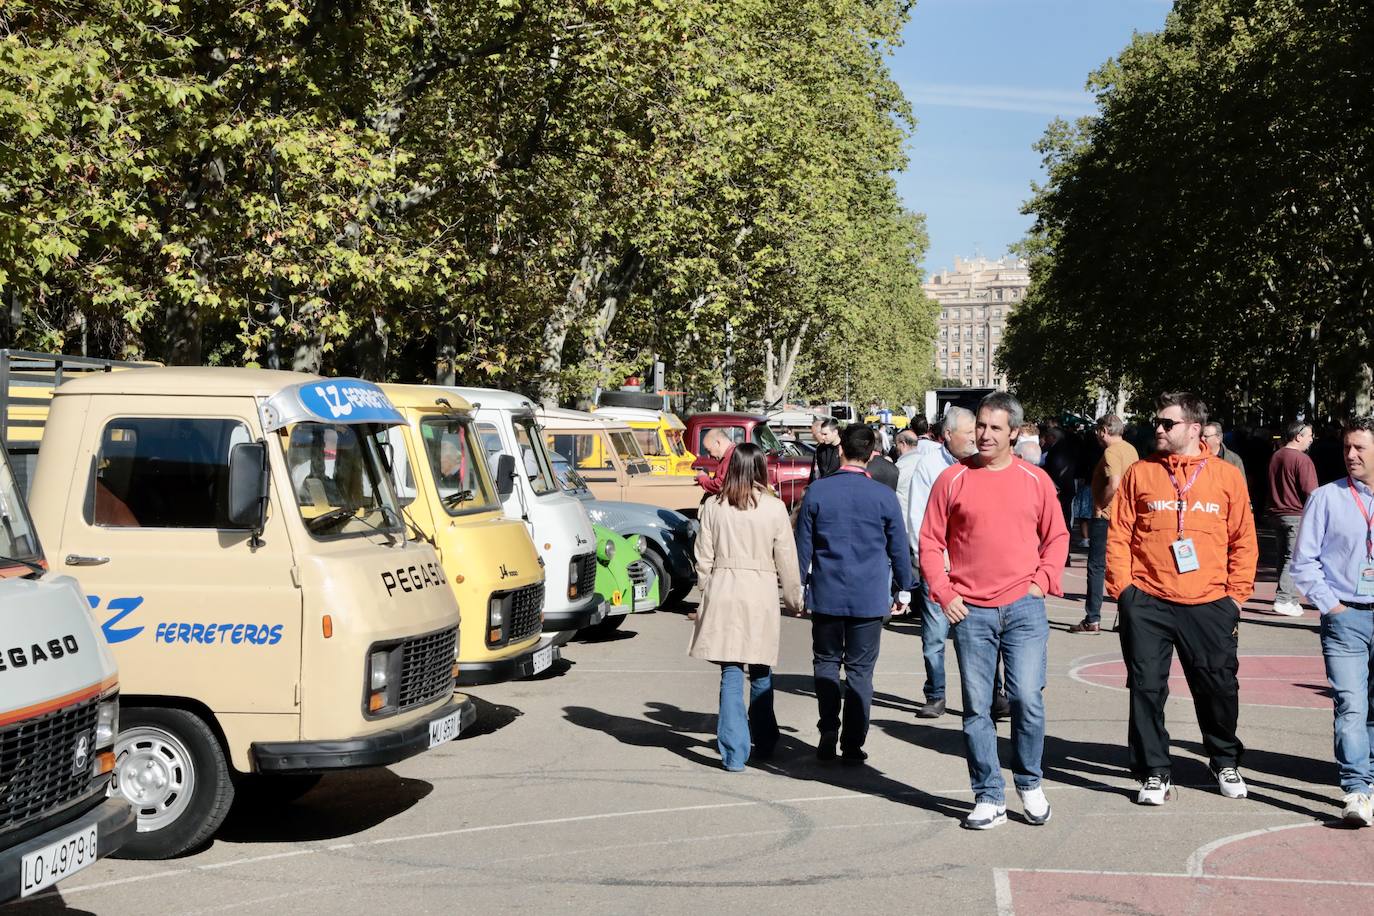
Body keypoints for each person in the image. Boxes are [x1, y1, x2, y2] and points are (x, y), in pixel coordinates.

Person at [920, 391, 1068, 829]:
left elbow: (1057, 537)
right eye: (980, 426)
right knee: (977, 708)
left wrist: (1042, 582)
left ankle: (1029, 781)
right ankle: (988, 794)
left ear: (1014, 433)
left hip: (1024, 607)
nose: (984, 435)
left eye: (994, 428)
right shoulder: (952, 480)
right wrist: (944, 594)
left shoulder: (1035, 480)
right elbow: (930, 542)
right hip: (971, 612)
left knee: (1026, 698)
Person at [1107, 392, 1258, 806]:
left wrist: (1235, 598)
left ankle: (1224, 758)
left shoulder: (1226, 476)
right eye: (1157, 421)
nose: (1158, 428)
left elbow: (1244, 540)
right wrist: (1124, 592)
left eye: (1167, 423)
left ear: (1193, 428)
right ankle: (1154, 771)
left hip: (1210, 601)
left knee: (1218, 688)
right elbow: (1119, 534)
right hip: (1148, 601)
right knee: (1147, 688)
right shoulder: (1140, 473)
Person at [796, 424, 913, 764]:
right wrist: (904, 588)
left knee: (827, 663)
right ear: (872, 454)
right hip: (869, 595)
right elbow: (898, 548)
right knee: (861, 672)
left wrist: (798, 589)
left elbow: (803, 547)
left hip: (827, 592)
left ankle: (828, 727)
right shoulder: (883, 496)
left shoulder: (818, 492)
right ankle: (852, 741)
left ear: (841, 451)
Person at [689, 443, 804, 771]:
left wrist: (706, 587)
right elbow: (787, 558)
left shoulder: (714, 505)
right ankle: (765, 739)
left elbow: (703, 556)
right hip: (760, 592)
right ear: (760, 469)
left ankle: (734, 752)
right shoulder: (774, 508)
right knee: (762, 669)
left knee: (730, 672)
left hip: (724, 588)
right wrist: (794, 597)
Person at [1290, 417, 1374, 826]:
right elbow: (1303, 562)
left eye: (1359, 447)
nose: (1351, 455)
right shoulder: (1326, 498)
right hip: (1346, 617)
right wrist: (1331, 606)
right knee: (1351, 705)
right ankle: (1357, 789)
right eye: (1347, 448)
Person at [904, 406, 990, 719]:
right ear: (948, 435)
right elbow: (918, 519)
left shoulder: (983, 464)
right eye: (968, 432)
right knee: (935, 636)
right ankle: (936, 694)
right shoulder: (929, 467)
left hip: (977, 566)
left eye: (976, 431)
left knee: (982, 633)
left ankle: (992, 694)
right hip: (940, 566)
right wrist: (930, 564)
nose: (974, 438)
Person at [1070, 415, 1139, 634]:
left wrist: (1100, 502)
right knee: (1124, 565)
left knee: (1097, 566)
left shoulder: (1111, 452)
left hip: (1108, 516)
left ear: (1103, 431)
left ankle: (1092, 618)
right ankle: (1126, 617)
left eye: (1098, 431)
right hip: (1128, 515)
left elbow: (1115, 483)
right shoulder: (1131, 449)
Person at [1266, 420, 1318, 617]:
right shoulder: (1302, 459)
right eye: (1309, 436)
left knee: (1284, 556)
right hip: (1296, 514)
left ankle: (1291, 598)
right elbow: (1311, 492)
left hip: (1277, 513)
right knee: (1293, 558)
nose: (1311, 440)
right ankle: (1284, 598)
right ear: (1299, 436)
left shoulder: (1276, 456)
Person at [695, 428, 736, 498]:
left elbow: (721, 485)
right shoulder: (731, 455)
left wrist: (703, 478)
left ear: (718, 443)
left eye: (708, 450)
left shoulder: (732, 456)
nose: (708, 456)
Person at [809, 417, 841, 481]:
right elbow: (815, 472)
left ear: (835, 432)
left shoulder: (846, 448)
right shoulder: (820, 449)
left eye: (825, 434)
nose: (823, 437)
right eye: (822, 434)